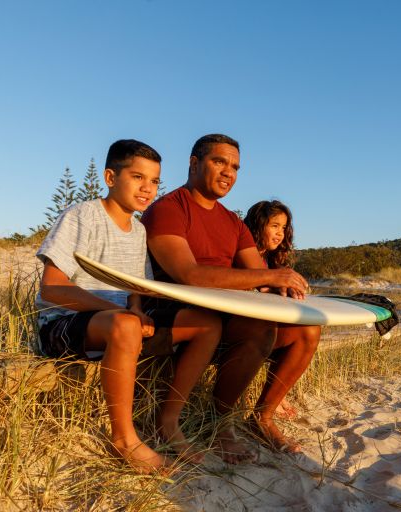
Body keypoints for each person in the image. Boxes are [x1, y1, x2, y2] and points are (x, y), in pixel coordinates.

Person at [36, 139, 221, 474]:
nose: (147, 188)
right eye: (138, 177)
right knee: (125, 325)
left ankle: (168, 420)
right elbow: (52, 289)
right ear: (110, 177)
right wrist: (120, 313)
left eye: (154, 181)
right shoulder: (81, 216)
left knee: (206, 324)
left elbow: (135, 287)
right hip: (65, 325)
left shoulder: (138, 230)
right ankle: (123, 440)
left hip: (121, 324)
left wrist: (135, 308)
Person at [141, 134, 310, 463]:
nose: (228, 172)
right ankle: (220, 426)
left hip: (225, 311)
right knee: (258, 327)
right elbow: (187, 274)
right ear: (194, 163)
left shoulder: (232, 221)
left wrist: (284, 286)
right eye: (219, 162)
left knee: (306, 330)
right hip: (178, 312)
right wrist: (269, 277)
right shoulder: (169, 209)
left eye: (235, 167)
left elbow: (256, 272)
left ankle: (263, 418)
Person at [243, 200, 321, 453]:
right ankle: (262, 418)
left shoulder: (272, 261)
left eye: (283, 227)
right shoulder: (242, 253)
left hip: (264, 329)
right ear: (257, 225)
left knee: (310, 329)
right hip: (237, 331)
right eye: (274, 225)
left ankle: (266, 410)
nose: (280, 232)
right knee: (305, 330)